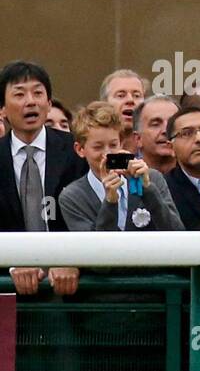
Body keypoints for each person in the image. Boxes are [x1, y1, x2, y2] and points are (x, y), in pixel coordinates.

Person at [0, 61, 85, 297]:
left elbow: (95, 215)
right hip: (9, 287)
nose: (30, 101)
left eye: (38, 93)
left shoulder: (77, 151)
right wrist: (13, 262)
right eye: (19, 94)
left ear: (48, 104)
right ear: (2, 109)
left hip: (73, 287)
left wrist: (73, 260)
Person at [59, 102, 183, 232]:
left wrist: (147, 189)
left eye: (113, 145)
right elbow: (95, 248)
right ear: (80, 149)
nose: (107, 154)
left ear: (121, 143)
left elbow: (176, 232)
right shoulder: (73, 196)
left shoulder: (152, 178)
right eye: (98, 147)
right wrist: (110, 202)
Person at [132, 95, 178, 174]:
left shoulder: (199, 177)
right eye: (156, 124)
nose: (166, 130)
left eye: (172, 124)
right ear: (138, 139)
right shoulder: (124, 182)